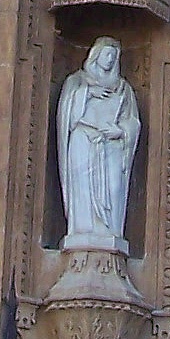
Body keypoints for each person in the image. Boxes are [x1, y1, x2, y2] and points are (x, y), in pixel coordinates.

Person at [57, 37, 140, 241]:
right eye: (106, 54)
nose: (110, 59)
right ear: (96, 55)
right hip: (83, 141)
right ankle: (81, 234)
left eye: (114, 56)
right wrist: (86, 94)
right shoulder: (76, 81)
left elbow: (133, 121)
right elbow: (66, 116)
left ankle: (110, 234)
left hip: (111, 145)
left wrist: (120, 131)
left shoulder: (123, 88)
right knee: (83, 189)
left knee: (113, 187)